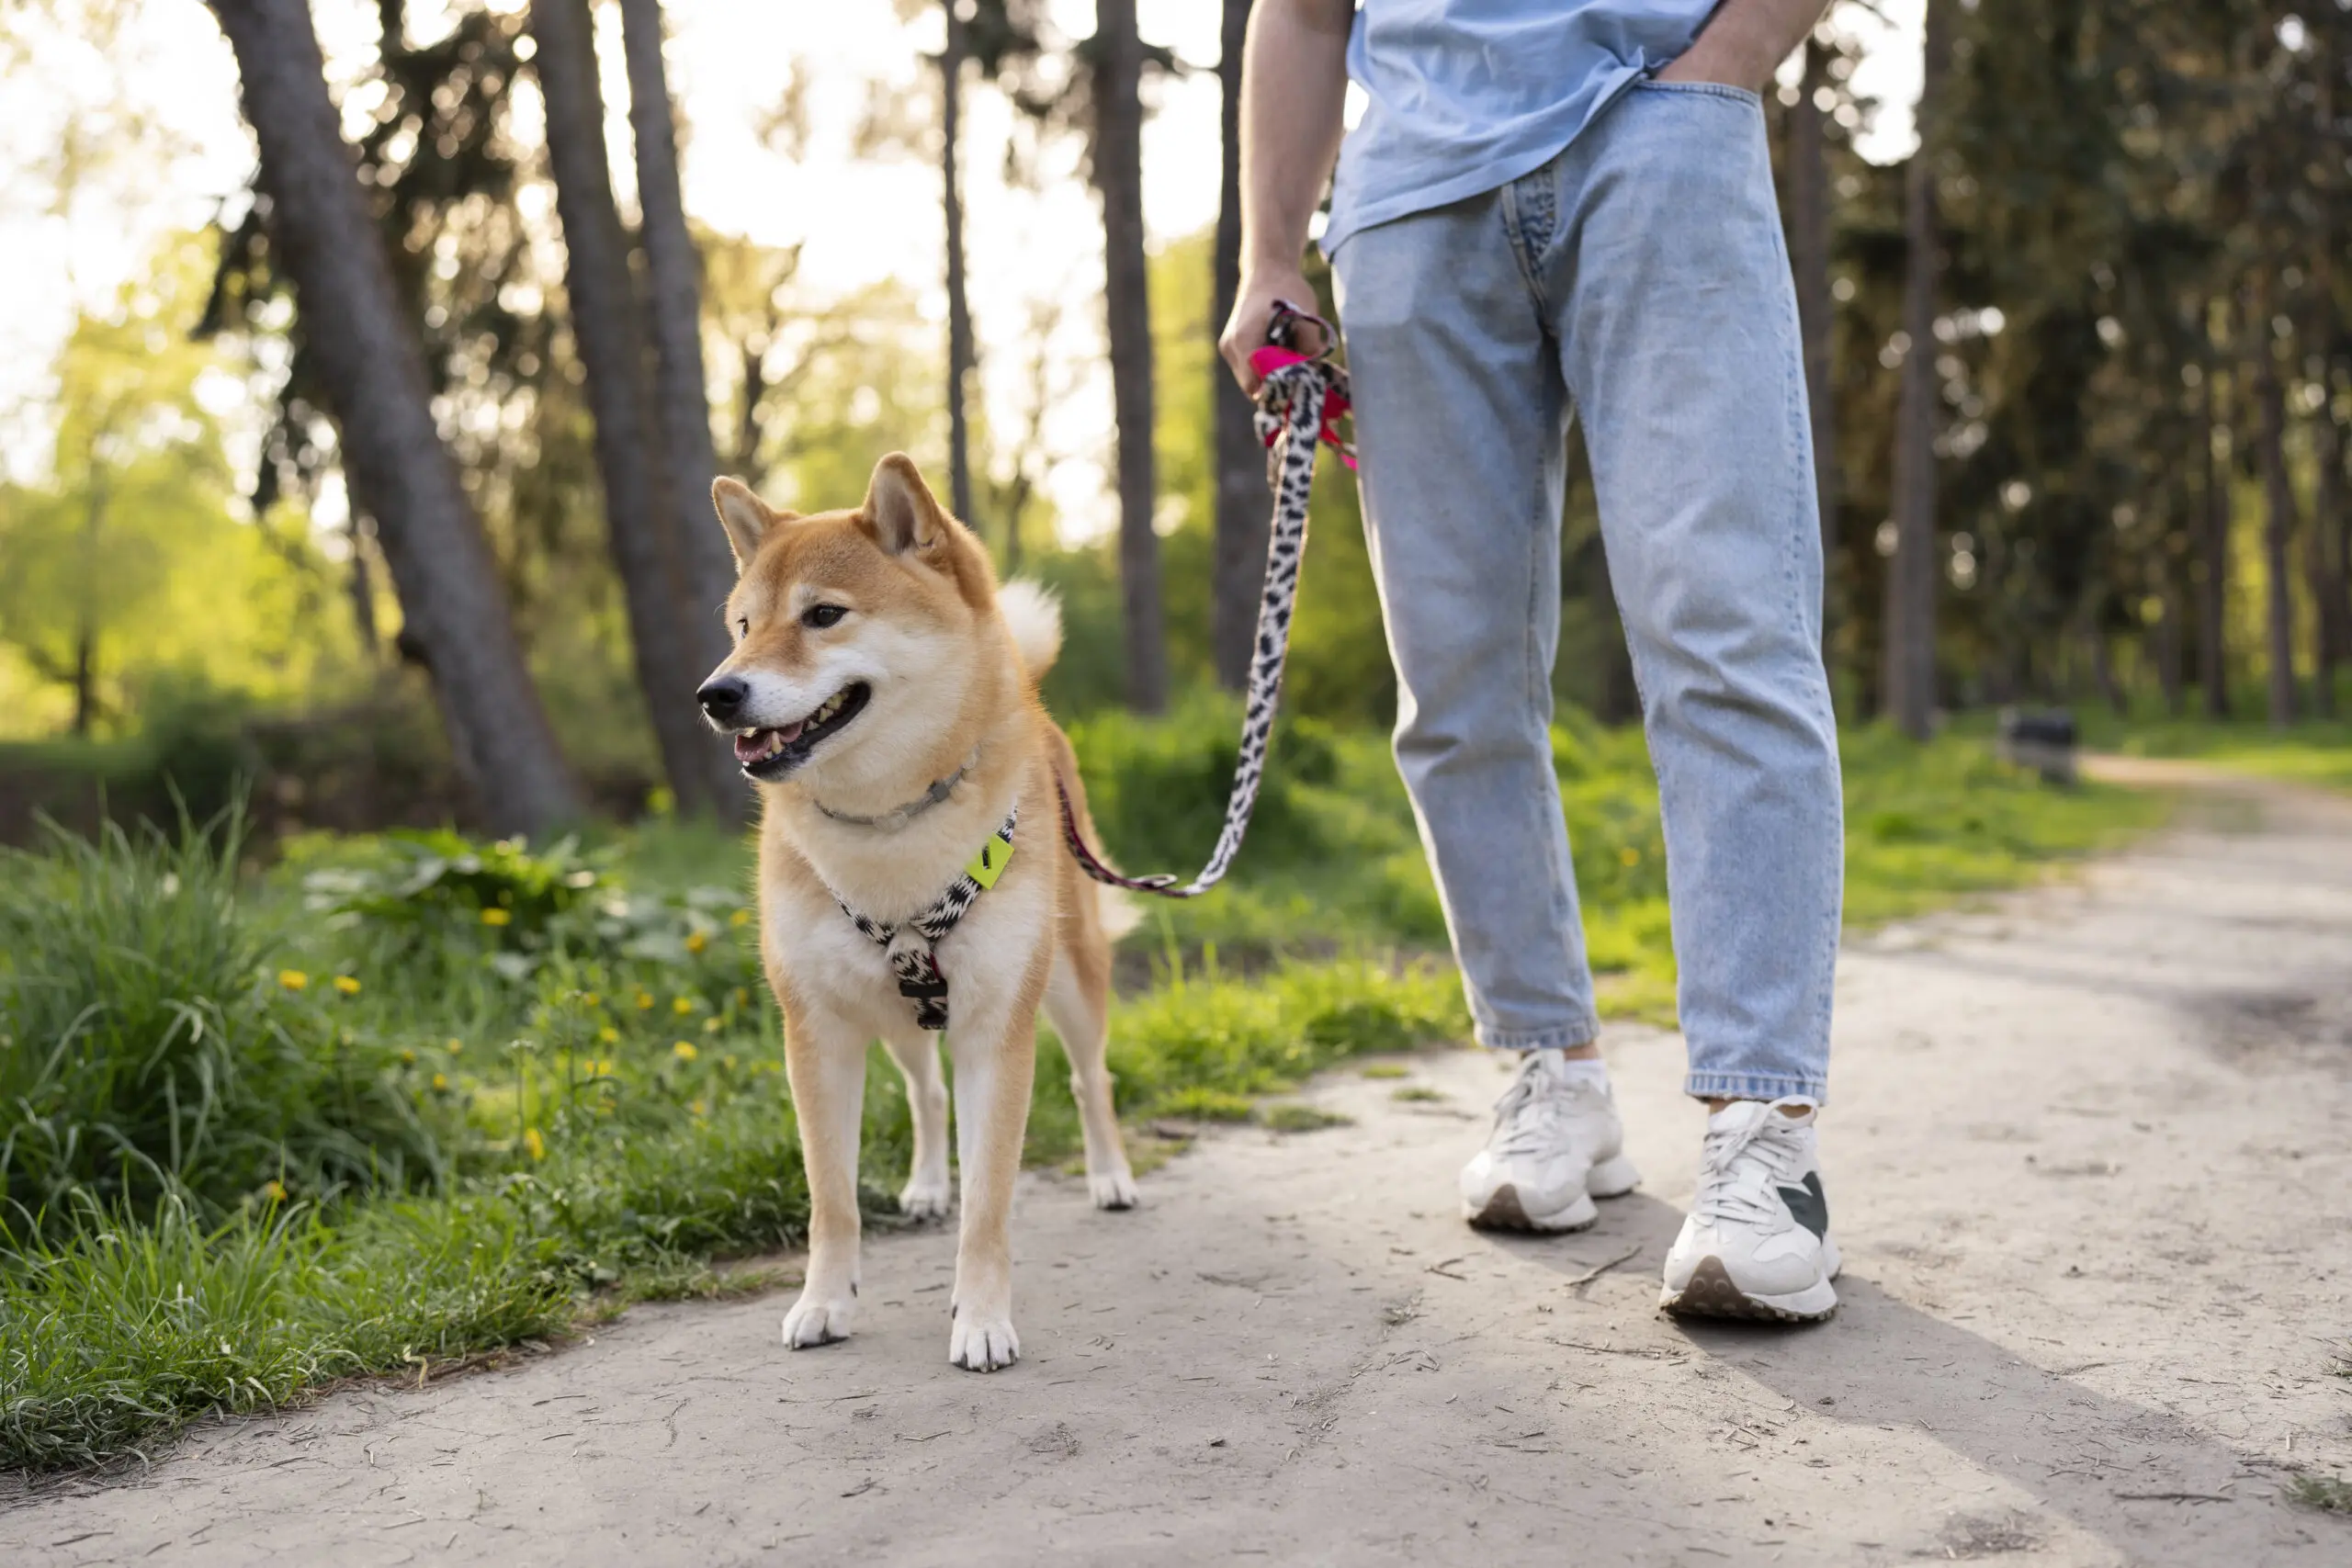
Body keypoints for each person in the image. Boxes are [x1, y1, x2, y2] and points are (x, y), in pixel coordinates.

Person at [1219, 0, 1846, 1322]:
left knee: (1725, 630)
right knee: (1453, 683)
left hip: (1656, 133)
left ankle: (1761, 1129)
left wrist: (1717, 69)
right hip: (1405, 201)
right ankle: (1550, 1069)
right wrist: (1269, 246)